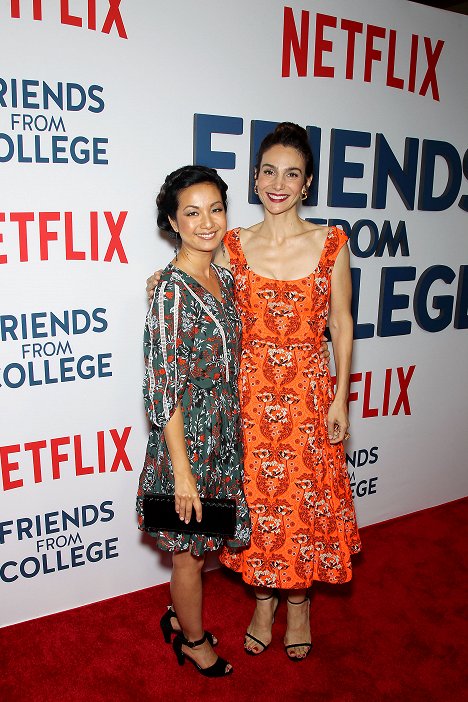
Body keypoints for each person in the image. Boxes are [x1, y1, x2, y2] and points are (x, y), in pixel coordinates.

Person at [146, 123, 361, 661]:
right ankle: (263, 602)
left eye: (292, 173)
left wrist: (340, 398)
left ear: (307, 182)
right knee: (264, 510)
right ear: (255, 178)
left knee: (305, 509)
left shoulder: (332, 241)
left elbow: (342, 321)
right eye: (269, 171)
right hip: (249, 401)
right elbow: (191, 274)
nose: (278, 183)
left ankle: (300, 603)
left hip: (311, 399)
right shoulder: (234, 244)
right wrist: (158, 280)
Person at [137, 165, 251, 677]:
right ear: (172, 221)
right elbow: (163, 389)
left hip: (223, 437)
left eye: (216, 209)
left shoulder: (223, 276)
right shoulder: (170, 292)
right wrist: (181, 472)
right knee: (188, 556)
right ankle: (193, 641)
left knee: (203, 550)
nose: (207, 222)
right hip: (186, 446)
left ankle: (177, 617)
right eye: (192, 212)